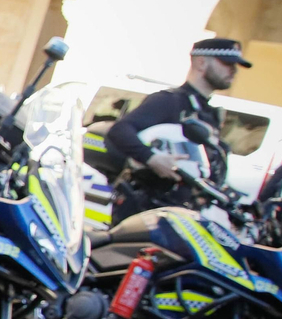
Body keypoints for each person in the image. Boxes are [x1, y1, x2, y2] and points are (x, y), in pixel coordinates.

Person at [104, 37, 249, 222]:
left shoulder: (208, 113)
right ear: (201, 62)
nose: (234, 71)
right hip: (149, 211)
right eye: (227, 63)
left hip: (182, 214)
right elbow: (120, 130)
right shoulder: (170, 101)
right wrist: (152, 158)